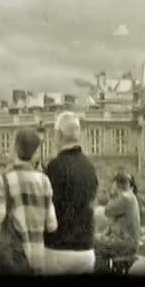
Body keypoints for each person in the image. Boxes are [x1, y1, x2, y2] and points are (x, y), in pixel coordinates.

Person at [0, 128, 58, 275]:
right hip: (38, 258)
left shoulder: (1, 181)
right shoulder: (44, 181)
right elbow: (52, 225)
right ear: (36, 152)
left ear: (15, 148)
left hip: (11, 258)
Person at [43, 112, 98, 275]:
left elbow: (47, 208)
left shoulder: (54, 167)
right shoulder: (90, 167)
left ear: (58, 135)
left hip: (59, 248)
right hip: (86, 249)